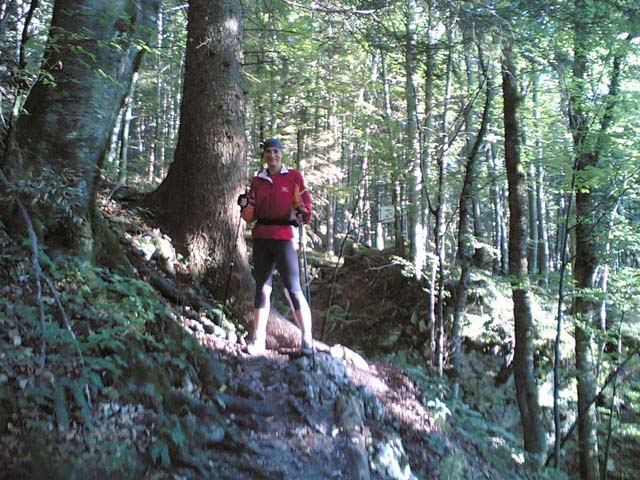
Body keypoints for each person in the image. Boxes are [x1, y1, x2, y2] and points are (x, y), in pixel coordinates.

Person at [237, 138, 313, 355]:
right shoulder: (257, 180)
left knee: (294, 289)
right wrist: (244, 205)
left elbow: (305, 207)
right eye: (268, 152)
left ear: (281, 154)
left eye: (275, 152)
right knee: (262, 287)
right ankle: (258, 338)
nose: (272, 156)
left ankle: (307, 338)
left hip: (283, 237)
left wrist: (302, 214)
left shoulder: (294, 177)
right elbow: (248, 216)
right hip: (261, 236)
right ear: (264, 155)